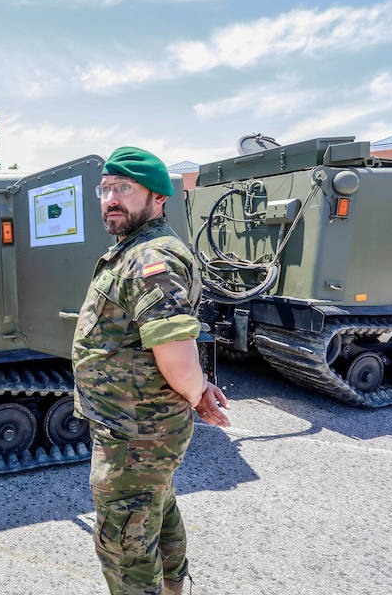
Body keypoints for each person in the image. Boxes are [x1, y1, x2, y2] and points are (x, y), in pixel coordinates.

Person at [71, 146, 230, 595]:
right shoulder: (135, 249)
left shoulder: (149, 258)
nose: (110, 198)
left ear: (158, 197)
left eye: (124, 188)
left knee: (125, 541)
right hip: (138, 429)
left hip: (136, 434)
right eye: (105, 189)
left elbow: (177, 355)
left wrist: (197, 391)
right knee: (155, 511)